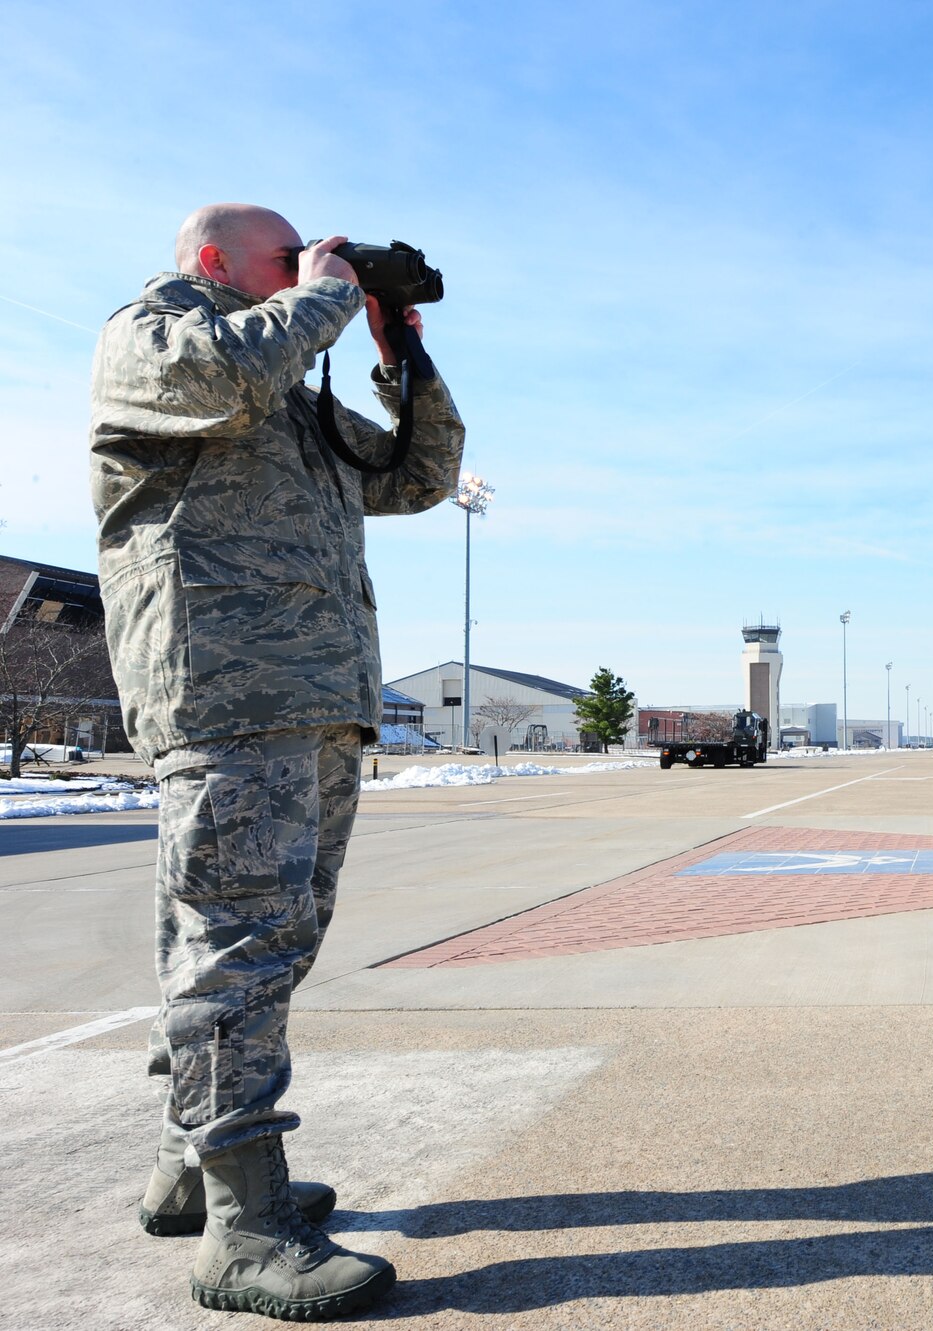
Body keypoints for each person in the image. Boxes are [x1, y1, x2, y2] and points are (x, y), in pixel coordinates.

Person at [90, 203, 465, 1319]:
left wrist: (399, 352)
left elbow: (418, 476)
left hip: (311, 700)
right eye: (289, 253)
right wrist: (324, 294)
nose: (317, 267)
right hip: (225, 689)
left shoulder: (295, 390)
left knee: (268, 944)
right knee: (237, 951)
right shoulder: (156, 336)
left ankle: (187, 1172)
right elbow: (219, 381)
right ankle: (246, 1232)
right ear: (215, 262)